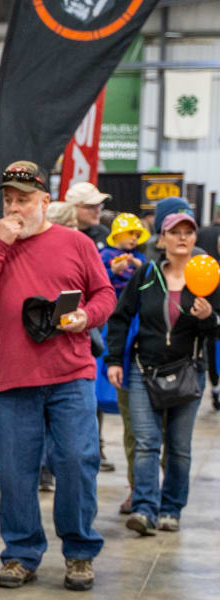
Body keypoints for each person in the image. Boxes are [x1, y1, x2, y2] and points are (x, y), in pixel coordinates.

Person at [0, 160, 115, 592]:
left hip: (70, 375)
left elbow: (104, 294)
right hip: (11, 380)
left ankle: (80, 552)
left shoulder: (76, 243)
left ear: (45, 202)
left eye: (23, 200)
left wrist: (86, 317)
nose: (14, 208)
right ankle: (21, 554)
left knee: (77, 463)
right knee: (16, 473)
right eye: (8, 200)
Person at [106, 213, 219, 536]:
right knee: (146, 443)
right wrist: (114, 360)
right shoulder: (146, 274)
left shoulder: (209, 279)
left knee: (179, 447)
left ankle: (171, 509)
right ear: (162, 239)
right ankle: (144, 509)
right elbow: (120, 317)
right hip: (144, 371)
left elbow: (217, 331)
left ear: (195, 239)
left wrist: (208, 317)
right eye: (175, 232)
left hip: (188, 372)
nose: (182, 238)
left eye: (188, 232)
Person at [63, 181, 110, 250]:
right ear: (73, 208)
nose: (98, 211)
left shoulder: (103, 233)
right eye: (91, 206)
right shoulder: (61, 235)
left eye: (99, 205)